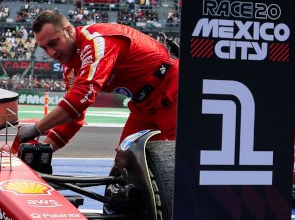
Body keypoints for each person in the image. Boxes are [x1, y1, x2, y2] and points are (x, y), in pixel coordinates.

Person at [18, 9, 177, 149]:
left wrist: (37, 128)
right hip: (144, 106)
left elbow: (82, 97)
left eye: (53, 43)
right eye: (44, 48)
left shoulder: (96, 40)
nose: (51, 53)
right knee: (125, 167)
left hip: (173, 91)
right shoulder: (70, 69)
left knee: (181, 167)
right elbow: (73, 118)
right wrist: (42, 151)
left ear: (69, 31)